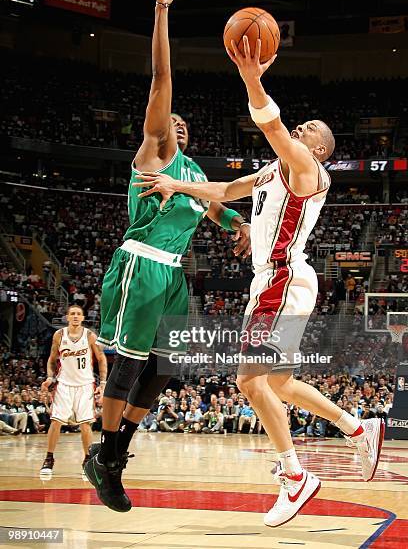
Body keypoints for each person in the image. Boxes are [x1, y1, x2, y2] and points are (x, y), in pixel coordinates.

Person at [135, 35, 385, 528]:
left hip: (282, 278)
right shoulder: (276, 169)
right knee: (278, 382)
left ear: (317, 148)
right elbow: (226, 188)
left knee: (248, 380)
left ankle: (295, 475)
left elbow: (271, 126)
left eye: (311, 128)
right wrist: (176, 183)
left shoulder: (306, 168)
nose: (304, 125)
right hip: (277, 280)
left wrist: (253, 78)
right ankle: (359, 429)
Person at [84, 0, 250, 513]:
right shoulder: (154, 152)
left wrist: (240, 227)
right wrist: (161, 9)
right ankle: (103, 455)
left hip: (174, 275)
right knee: (129, 365)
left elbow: (218, 206)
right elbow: (162, 78)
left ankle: (112, 456)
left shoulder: (193, 174)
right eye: (169, 120)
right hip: (141, 263)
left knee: (166, 370)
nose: (175, 124)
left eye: (182, 124)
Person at [39, 305, 107, 477]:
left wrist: (104, 382)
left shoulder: (90, 336)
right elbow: (52, 360)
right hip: (63, 384)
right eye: (72, 314)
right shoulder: (59, 335)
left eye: (78, 314)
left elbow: (101, 359)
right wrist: (49, 377)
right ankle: (49, 458)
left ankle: (87, 460)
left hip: (85, 385)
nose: (75, 316)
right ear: (67, 317)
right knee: (56, 421)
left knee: (85, 423)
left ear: (83, 318)